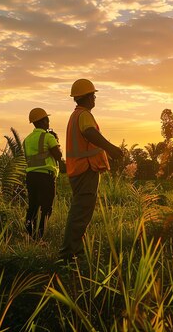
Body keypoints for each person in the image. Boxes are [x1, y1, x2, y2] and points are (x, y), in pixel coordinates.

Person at [59, 79, 123, 261]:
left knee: (80, 212)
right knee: (80, 213)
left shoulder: (76, 116)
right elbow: (89, 133)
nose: (95, 98)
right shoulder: (84, 115)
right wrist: (110, 148)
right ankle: (70, 254)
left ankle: (73, 251)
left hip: (80, 169)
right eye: (93, 95)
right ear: (86, 97)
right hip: (85, 168)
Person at [23, 108, 62, 239]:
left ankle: (29, 233)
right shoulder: (48, 137)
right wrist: (56, 141)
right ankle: (39, 236)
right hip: (45, 177)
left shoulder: (27, 140)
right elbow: (58, 155)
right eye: (47, 119)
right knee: (46, 208)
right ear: (44, 121)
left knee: (33, 206)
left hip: (31, 177)